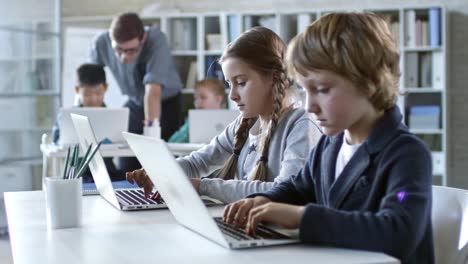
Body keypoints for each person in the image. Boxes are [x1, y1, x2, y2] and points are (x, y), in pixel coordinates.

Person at [223, 12, 434, 264]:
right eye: (305, 90)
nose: (310, 106)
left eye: (322, 90)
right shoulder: (330, 143)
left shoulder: (406, 154)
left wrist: (302, 217)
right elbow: (298, 188)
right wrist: (264, 200)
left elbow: (398, 231)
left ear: (371, 83)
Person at [126, 26, 322, 203]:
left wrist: (202, 187)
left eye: (242, 82)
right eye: (229, 84)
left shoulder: (301, 125)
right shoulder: (244, 124)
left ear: (274, 78)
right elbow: (198, 163)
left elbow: (284, 192)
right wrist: (159, 172)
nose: (233, 95)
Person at [89, 12, 183, 172]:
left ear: (143, 38)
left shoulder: (156, 39)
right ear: (110, 38)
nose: (123, 57)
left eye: (130, 51)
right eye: (118, 49)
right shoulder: (101, 42)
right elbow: (90, 82)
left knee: (165, 163)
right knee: (126, 164)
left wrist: (151, 138)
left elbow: (153, 91)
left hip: (165, 102)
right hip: (135, 102)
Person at [51, 63, 124, 182]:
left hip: (107, 172)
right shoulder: (67, 117)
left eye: (98, 93)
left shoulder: (113, 118)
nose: (93, 99)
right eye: (87, 94)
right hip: (78, 174)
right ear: (77, 90)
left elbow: (120, 142)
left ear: (105, 88)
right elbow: (57, 141)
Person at [169, 78, 226, 143]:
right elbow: (172, 141)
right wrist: (189, 129)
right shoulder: (192, 121)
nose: (198, 102)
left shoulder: (230, 120)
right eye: (195, 98)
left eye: (203, 97)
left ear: (218, 99)